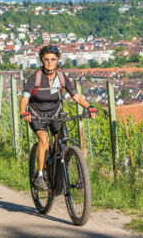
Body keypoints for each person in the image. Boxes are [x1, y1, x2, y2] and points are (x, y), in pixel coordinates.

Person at [19, 45, 97, 190]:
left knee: (64, 140)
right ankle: (40, 176)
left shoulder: (61, 76)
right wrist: (24, 111)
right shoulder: (35, 77)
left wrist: (89, 107)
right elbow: (24, 98)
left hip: (55, 114)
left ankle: (78, 175)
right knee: (43, 140)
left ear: (57, 60)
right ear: (42, 61)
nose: (50, 62)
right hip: (37, 116)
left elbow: (76, 96)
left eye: (53, 59)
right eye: (46, 59)